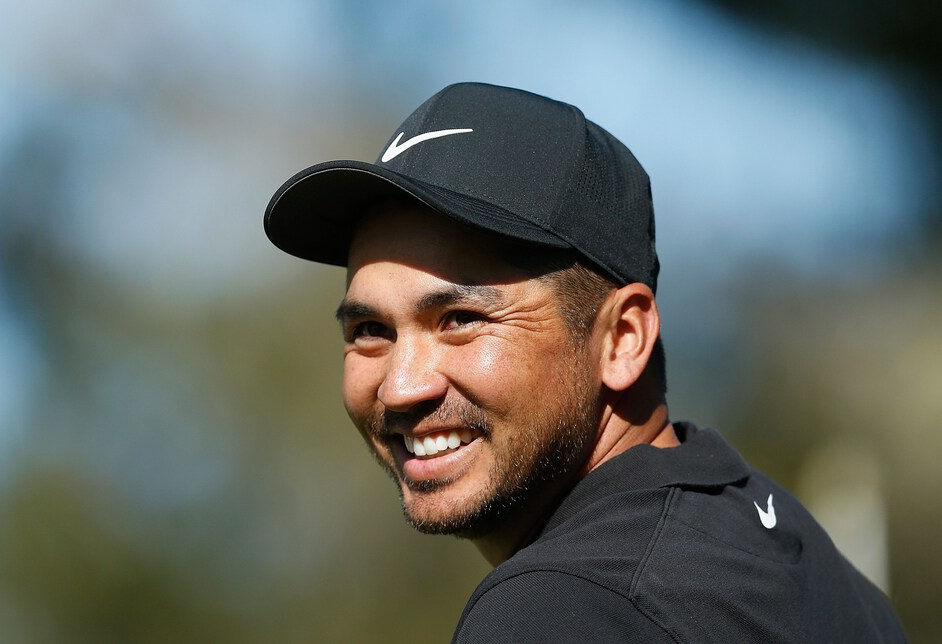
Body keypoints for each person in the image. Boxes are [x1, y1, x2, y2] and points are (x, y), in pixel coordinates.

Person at [264, 82, 905, 642]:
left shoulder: (567, 608)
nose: (401, 387)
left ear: (622, 338)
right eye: (371, 330)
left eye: (460, 320)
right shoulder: (787, 550)